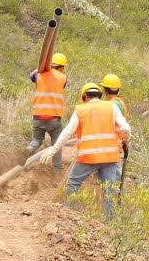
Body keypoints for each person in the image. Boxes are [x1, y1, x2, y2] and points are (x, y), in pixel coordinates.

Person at [42, 83, 130, 219]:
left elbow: (67, 132)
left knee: (73, 183)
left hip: (88, 158)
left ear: (84, 96)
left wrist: (54, 149)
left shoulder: (80, 110)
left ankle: (68, 216)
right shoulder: (111, 107)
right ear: (100, 95)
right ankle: (109, 222)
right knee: (108, 190)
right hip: (110, 158)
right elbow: (126, 128)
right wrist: (125, 141)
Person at [27, 53, 69, 174]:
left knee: (36, 140)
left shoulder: (39, 74)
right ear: (62, 67)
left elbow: (31, 76)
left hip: (38, 116)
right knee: (56, 144)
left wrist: (42, 67)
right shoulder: (63, 78)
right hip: (54, 118)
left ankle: (28, 151)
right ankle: (57, 171)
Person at [101, 74, 128, 182]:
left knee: (114, 174)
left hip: (114, 143)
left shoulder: (113, 104)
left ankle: (118, 194)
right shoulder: (119, 102)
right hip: (117, 142)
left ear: (105, 89)